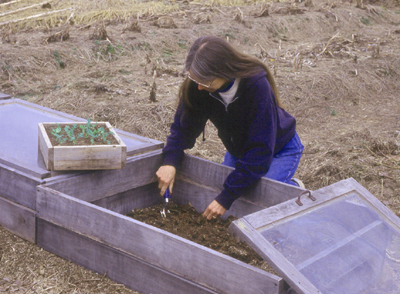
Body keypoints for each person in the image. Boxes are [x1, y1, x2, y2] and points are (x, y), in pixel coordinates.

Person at [156, 36, 304, 220]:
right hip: (240, 151)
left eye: (206, 82)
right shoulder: (199, 86)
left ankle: (292, 189)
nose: (200, 87)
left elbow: (259, 152)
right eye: (195, 79)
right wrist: (170, 161)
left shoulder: (256, 86)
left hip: (279, 149)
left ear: (224, 72)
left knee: (258, 204)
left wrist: (226, 198)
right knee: (229, 198)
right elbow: (183, 128)